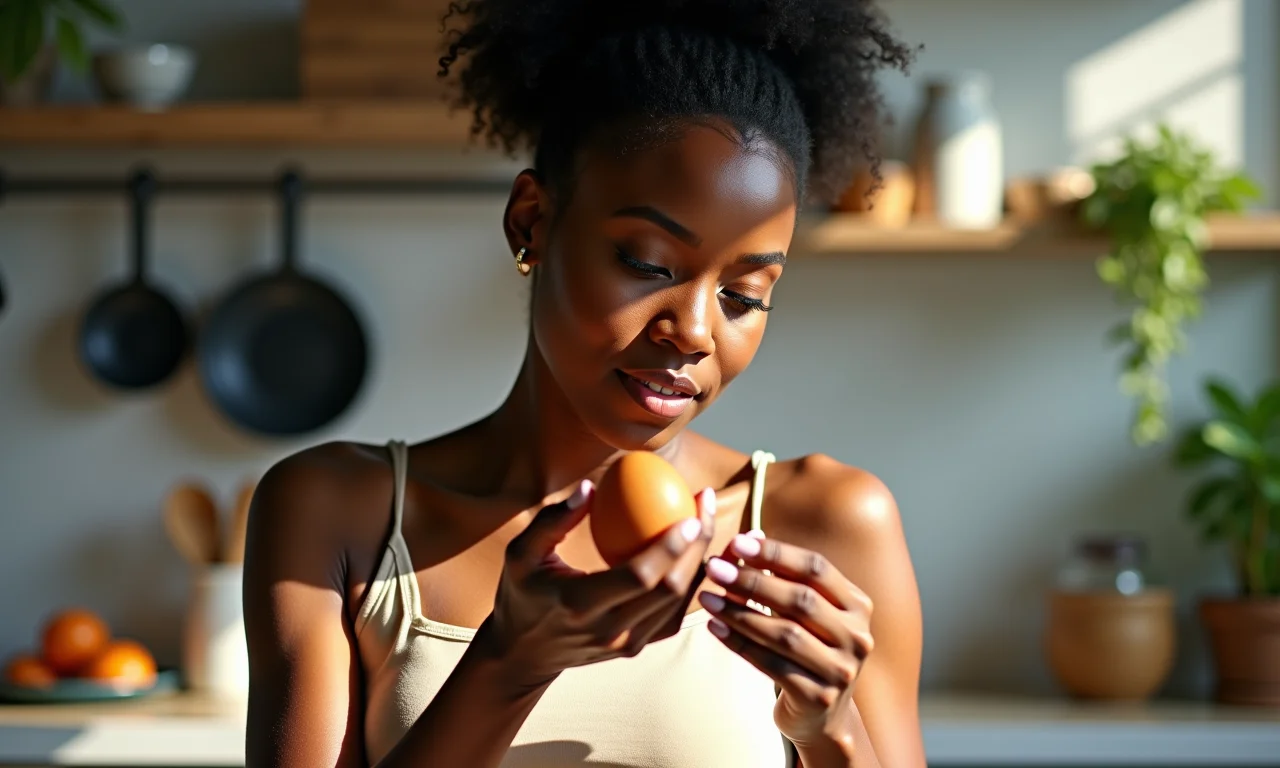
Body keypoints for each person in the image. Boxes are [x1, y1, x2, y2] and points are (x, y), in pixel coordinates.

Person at [242, 1, 923, 766]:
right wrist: (508, 664)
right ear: (531, 221)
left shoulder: (823, 527)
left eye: (744, 295)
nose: (695, 331)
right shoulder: (339, 513)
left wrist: (831, 730)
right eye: (649, 263)